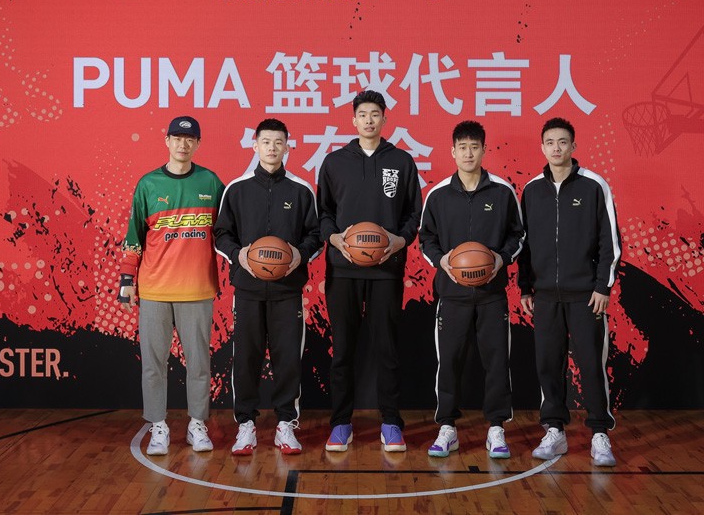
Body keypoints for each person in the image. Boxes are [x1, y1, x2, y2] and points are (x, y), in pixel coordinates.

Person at [317, 90, 423, 452]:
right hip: (343, 270)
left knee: (387, 349)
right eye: (362, 114)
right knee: (343, 351)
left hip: (386, 269)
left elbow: (413, 213)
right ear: (353, 120)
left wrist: (399, 240)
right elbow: (323, 213)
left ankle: (391, 422)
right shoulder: (334, 162)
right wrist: (335, 239)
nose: (368, 120)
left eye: (375, 114)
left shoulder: (401, 161)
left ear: (384, 119)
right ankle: (340, 423)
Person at [118, 116, 225, 455]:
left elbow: (228, 232)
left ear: (198, 144)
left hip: (197, 289)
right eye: (177, 137)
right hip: (154, 290)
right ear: (167, 141)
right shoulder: (148, 184)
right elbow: (134, 235)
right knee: (153, 364)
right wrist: (126, 279)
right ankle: (158, 426)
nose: (183, 144)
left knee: (199, 364)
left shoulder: (211, 182)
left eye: (189, 139)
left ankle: (197, 424)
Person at [517, 116, 620, 467]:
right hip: (545, 295)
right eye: (550, 142)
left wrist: (603, 286)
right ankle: (554, 431)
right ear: (542, 147)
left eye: (563, 142)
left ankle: (600, 433)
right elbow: (524, 244)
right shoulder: (532, 190)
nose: (556, 148)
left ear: (573, 146)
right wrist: (525, 286)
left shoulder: (594, 185)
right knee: (548, 365)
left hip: (585, 295)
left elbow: (610, 242)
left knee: (591, 365)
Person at [214, 119, 321, 455]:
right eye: (266, 142)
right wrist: (239, 255)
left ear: (287, 147)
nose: (272, 148)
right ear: (255, 145)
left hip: (287, 291)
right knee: (246, 358)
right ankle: (245, 424)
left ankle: (286, 423)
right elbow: (221, 234)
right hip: (247, 290)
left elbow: (315, 235)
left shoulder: (301, 190)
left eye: (278, 142)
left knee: (288, 359)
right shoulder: (237, 189)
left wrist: (299, 255)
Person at [419, 120, 525, 458]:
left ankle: (496, 427)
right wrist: (442, 260)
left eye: (474, 147)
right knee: (449, 361)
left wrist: (501, 258)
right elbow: (426, 239)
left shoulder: (502, 191)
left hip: (492, 295)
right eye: (462, 147)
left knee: (497, 361)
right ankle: (447, 427)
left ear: (483, 150)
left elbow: (518, 235)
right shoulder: (438, 195)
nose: (468, 153)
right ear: (452, 151)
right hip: (451, 295)